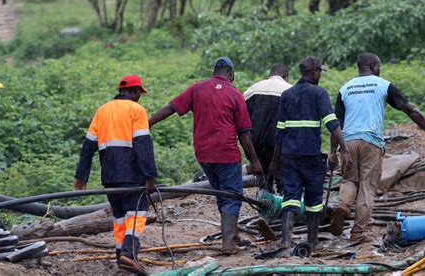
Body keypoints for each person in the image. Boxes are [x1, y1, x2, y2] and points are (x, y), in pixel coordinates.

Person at [149, 57, 263, 255]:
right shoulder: (235, 95)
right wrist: (254, 161)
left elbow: (171, 108)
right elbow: (244, 133)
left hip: (203, 153)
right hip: (226, 153)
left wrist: (148, 123)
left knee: (221, 192)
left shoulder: (197, 88)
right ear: (231, 74)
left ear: (215, 71)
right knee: (232, 195)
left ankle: (233, 235)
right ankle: (227, 243)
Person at [330, 52, 425, 243]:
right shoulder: (383, 85)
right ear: (373, 65)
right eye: (379, 66)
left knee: (349, 180)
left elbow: (335, 123)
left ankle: (343, 205)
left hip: (348, 142)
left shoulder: (345, 88)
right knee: (367, 186)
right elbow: (410, 109)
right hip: (371, 142)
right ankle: (357, 233)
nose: (380, 70)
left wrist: (333, 151)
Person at [74, 75, 156, 274]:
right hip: (132, 176)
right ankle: (129, 254)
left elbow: (88, 146)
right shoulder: (137, 110)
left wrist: (81, 176)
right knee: (136, 214)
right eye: (139, 94)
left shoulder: (102, 110)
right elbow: (143, 145)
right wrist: (150, 176)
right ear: (135, 92)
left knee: (119, 217)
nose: (140, 98)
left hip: (110, 177)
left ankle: (121, 256)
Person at [270, 56, 352, 251]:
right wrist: (344, 150)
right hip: (311, 156)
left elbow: (279, 132)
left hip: (289, 156)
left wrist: (275, 162)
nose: (320, 75)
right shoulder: (319, 93)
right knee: (314, 200)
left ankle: (286, 241)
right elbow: (332, 124)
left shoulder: (287, 95)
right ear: (314, 72)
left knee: (290, 197)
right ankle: (312, 241)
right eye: (320, 71)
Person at [243, 63, 292, 194]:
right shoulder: (290, 90)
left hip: (256, 141)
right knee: (283, 178)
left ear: (269, 76)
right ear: (285, 76)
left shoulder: (251, 90)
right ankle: (285, 206)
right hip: (279, 142)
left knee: (263, 178)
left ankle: (265, 203)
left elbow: (242, 120)